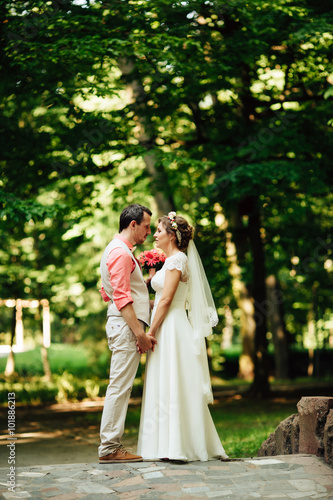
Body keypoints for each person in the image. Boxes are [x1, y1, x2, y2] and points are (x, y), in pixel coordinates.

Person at [137, 212, 228, 462]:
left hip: (172, 327)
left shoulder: (177, 261)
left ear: (171, 235)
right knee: (168, 381)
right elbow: (162, 297)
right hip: (168, 323)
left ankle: (179, 446)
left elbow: (167, 300)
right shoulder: (169, 262)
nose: (154, 234)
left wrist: (151, 332)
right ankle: (166, 445)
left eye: (158, 230)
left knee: (175, 381)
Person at [98, 204, 157, 464]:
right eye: (146, 226)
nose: (149, 232)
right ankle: (109, 447)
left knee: (121, 385)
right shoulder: (121, 253)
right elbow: (121, 298)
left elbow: (107, 291)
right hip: (125, 328)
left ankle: (110, 445)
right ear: (132, 224)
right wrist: (140, 334)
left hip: (121, 324)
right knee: (120, 387)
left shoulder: (115, 249)